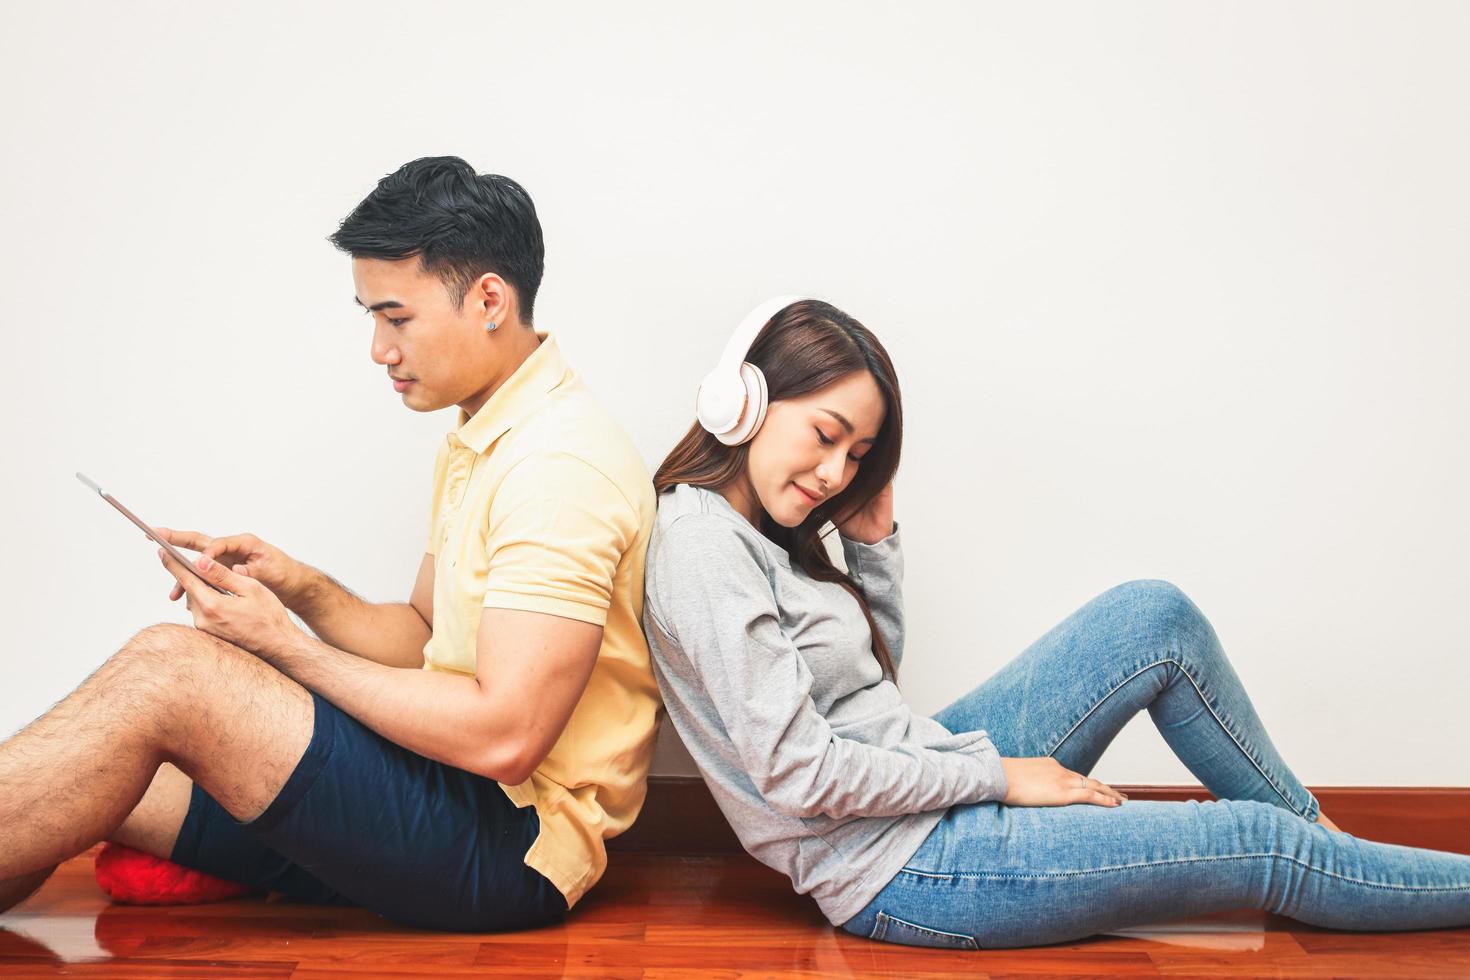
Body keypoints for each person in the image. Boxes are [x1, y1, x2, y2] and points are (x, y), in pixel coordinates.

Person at [640, 296, 1470, 948]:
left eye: (856, 454)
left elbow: (865, 697)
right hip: (904, 870)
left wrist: (875, 550)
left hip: (924, 779)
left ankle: (1324, 842)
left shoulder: (764, 535)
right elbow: (801, 776)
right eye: (827, 435)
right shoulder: (704, 546)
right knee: (1256, 845)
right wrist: (1002, 777)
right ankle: (1329, 858)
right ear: (742, 399)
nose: (835, 472)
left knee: (1154, 616)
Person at [0, 156, 661, 931]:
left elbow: (507, 737)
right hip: (447, 787)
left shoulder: (558, 466)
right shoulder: (487, 434)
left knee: (169, 671)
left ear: (488, 299)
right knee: (100, 772)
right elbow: (420, 638)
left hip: (510, 842)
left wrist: (287, 647)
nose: (379, 348)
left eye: (397, 317)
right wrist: (299, 587)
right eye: (371, 318)